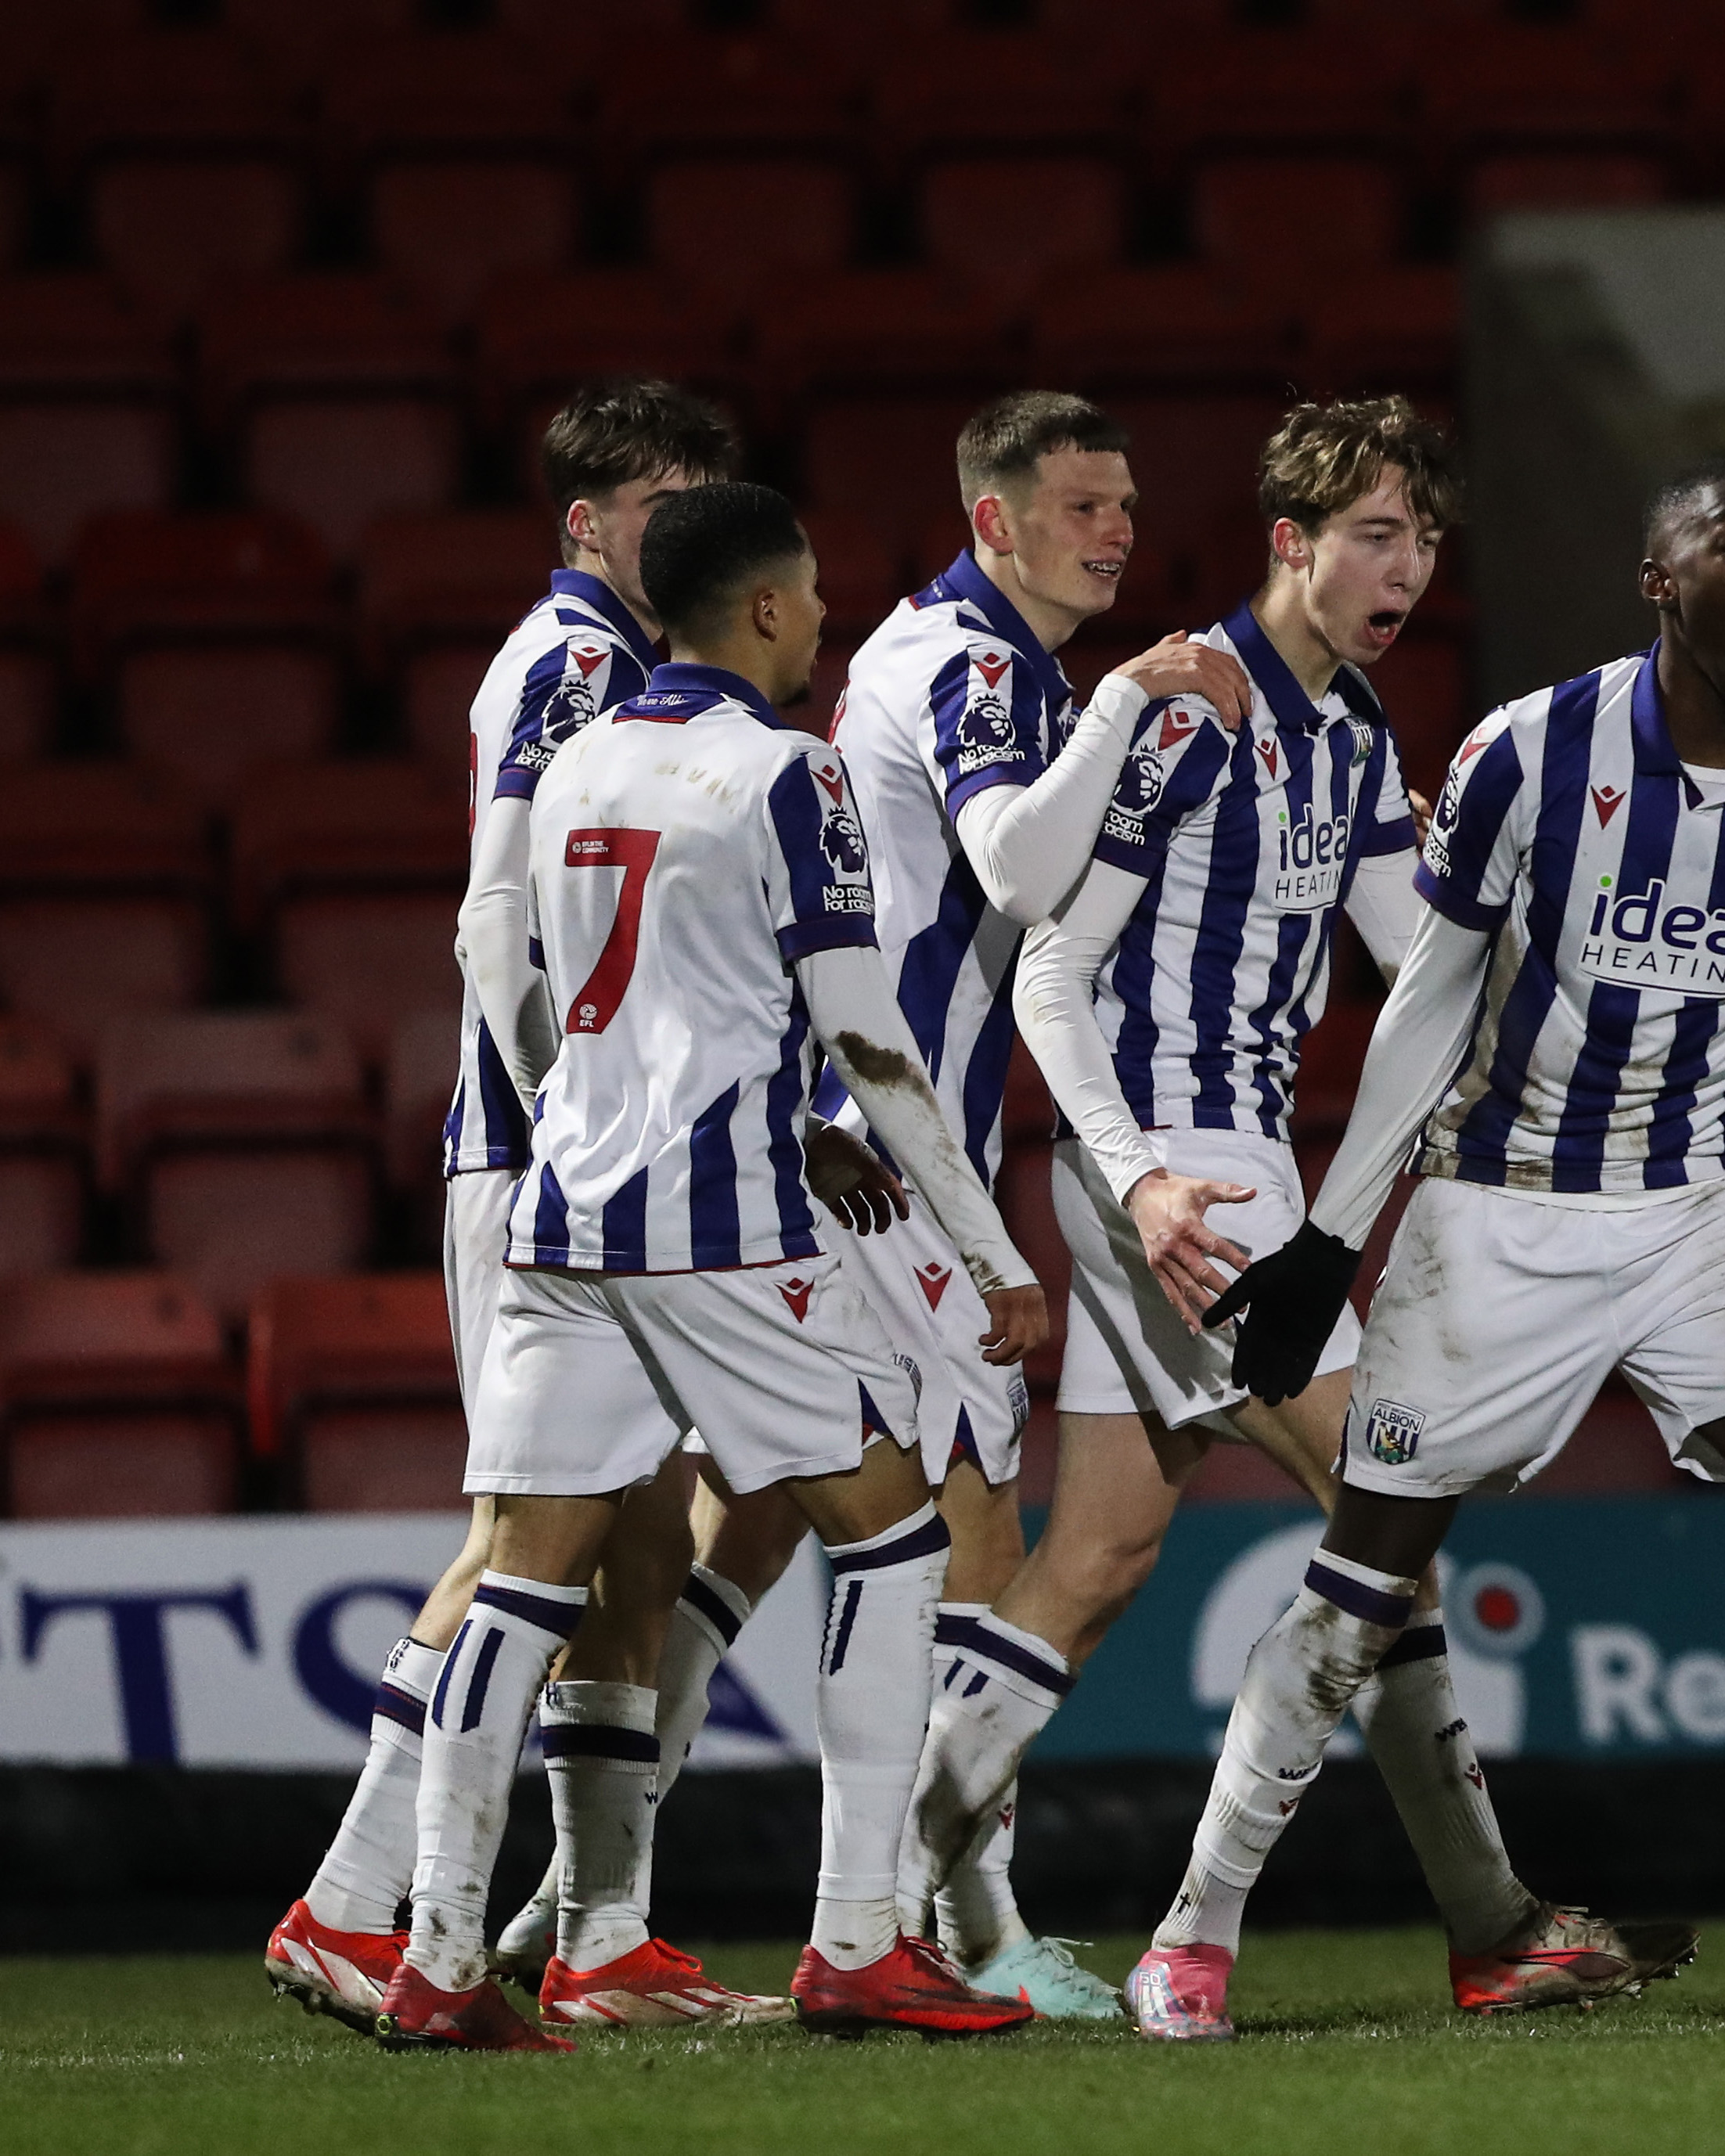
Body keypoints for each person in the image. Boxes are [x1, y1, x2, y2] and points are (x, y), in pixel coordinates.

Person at [1140, 460, 1725, 2043]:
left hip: (1691, 1216)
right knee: (1362, 1585)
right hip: (1498, 1216)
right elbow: (1429, 998)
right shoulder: (1530, 750)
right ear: (1659, 576)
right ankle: (1191, 1937)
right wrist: (1330, 1235)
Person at [486, 391, 1256, 2019]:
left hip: (839, 1152)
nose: (1114, 530)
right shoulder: (978, 669)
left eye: (1125, 503)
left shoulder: (962, 656)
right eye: (1080, 506)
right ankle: (945, 1933)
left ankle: (582, 1914)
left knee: (746, 1534)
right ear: (993, 521)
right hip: (877, 1158)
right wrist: (1128, 717)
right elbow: (1024, 871)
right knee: (954, 1537)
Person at [982, 397, 1676, 2021]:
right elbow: (1053, 967)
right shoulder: (1188, 708)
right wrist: (1138, 1175)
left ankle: (877, 1895)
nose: (1407, 567)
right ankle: (1415, 1928)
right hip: (1181, 1178)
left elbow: (1423, 962)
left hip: (1226, 1175)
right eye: (1375, 534)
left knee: (1090, 1558)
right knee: (1391, 1507)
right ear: (1290, 543)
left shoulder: (1350, 730)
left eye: (1424, 539)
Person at [374, 481, 1050, 2051]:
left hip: (565, 1223)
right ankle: (857, 1940)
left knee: (521, 1588)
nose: (821, 620)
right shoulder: (785, 774)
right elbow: (869, 1039)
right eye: (810, 597)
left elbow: (520, 974)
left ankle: (436, 1959)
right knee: (890, 1545)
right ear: (759, 609)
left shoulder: (578, 759)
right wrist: (989, 1248)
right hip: (722, 1236)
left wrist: (584, 1123)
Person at [265, 379, 771, 2032]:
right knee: (523, 1539)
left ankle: (606, 1937)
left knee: (622, 1537)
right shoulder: (571, 662)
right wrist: (570, 1106)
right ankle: (354, 1907)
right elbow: (496, 923)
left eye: (709, 484)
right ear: (585, 520)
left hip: (579, 1156)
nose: (685, 513)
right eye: (656, 492)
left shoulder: (618, 664)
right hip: (546, 1159)